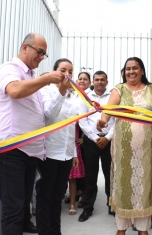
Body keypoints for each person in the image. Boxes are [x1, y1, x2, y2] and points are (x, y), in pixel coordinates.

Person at [0, 33, 66, 234]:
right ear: (25, 47)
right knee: (13, 212)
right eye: (39, 52)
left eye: (44, 54)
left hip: (30, 153)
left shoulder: (32, 78)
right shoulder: (9, 69)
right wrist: (47, 79)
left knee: (22, 210)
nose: (42, 57)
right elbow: (15, 90)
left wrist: (60, 90)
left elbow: (44, 116)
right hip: (11, 152)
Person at [97, 57, 152, 235]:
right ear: (124, 72)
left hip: (147, 149)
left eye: (135, 68)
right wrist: (103, 122)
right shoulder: (118, 90)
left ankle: (143, 229)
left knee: (144, 186)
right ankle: (121, 228)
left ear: (142, 70)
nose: (131, 71)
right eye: (128, 69)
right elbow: (107, 111)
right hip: (123, 150)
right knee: (123, 185)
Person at [36, 58, 78, 234]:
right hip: (49, 154)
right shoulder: (45, 91)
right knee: (45, 197)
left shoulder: (74, 95)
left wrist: (74, 152)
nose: (67, 75)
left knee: (58, 197)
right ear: (55, 72)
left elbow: (71, 127)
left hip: (66, 154)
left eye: (70, 71)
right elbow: (49, 117)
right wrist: (60, 91)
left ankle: (56, 231)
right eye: (63, 70)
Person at [78, 71, 115, 222]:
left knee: (110, 175)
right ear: (93, 82)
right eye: (97, 80)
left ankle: (112, 205)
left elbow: (117, 119)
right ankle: (88, 207)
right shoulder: (86, 97)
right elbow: (82, 119)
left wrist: (107, 138)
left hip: (109, 141)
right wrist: (94, 138)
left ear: (107, 81)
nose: (100, 82)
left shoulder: (113, 97)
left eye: (102, 80)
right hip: (91, 141)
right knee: (90, 176)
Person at [65, 72, 90, 212]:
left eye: (85, 79)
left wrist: (84, 139)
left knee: (83, 171)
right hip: (68, 138)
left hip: (82, 140)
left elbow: (88, 120)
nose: (82, 81)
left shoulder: (89, 96)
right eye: (79, 79)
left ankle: (81, 196)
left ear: (89, 82)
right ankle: (76, 195)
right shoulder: (71, 95)